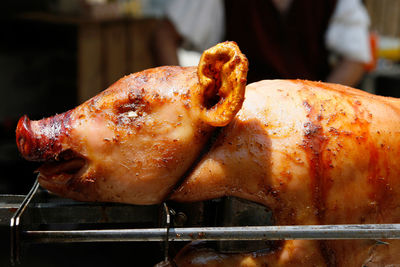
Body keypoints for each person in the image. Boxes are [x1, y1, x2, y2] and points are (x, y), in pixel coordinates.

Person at [152, 0, 371, 87]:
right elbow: (163, 38)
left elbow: (356, 58)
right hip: (240, 119)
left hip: (309, 121)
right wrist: (189, 95)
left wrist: (318, 101)